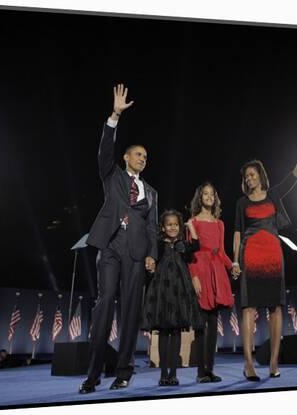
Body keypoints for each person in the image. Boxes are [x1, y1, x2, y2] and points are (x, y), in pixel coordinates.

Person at [79, 84, 158, 394]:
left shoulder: (151, 193)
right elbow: (104, 152)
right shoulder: (112, 175)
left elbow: (152, 226)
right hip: (110, 248)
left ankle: (124, 371)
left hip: (137, 255)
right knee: (103, 308)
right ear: (126, 157)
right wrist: (114, 115)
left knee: (130, 312)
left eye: (146, 156)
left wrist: (152, 253)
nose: (143, 158)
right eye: (138, 154)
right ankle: (93, 374)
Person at [231, 119, 297, 380]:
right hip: (250, 256)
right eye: (246, 175)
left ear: (260, 175)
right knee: (247, 308)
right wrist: (235, 261)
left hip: (273, 256)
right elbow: (236, 232)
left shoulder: (274, 195)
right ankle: (248, 363)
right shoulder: (241, 203)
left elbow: (296, 174)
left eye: (253, 173)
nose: (249, 177)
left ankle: (274, 362)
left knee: (276, 308)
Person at [142, 210, 202, 386]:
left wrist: (190, 227)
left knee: (176, 331)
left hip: (179, 292)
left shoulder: (183, 245)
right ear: (163, 227)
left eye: (176, 224)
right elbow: (151, 259)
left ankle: (173, 373)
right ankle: (163, 373)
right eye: (169, 224)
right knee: (162, 331)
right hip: (162, 291)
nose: (173, 227)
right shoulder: (159, 245)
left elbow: (197, 245)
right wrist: (150, 266)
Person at [188, 182, 234, 383]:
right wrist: (194, 277)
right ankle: (200, 373)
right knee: (201, 324)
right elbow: (191, 254)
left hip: (217, 272)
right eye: (205, 194)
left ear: (215, 198)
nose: (209, 197)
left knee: (214, 323)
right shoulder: (193, 222)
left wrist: (233, 266)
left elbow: (222, 252)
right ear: (200, 197)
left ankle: (210, 369)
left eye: (212, 194)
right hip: (201, 270)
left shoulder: (219, 223)